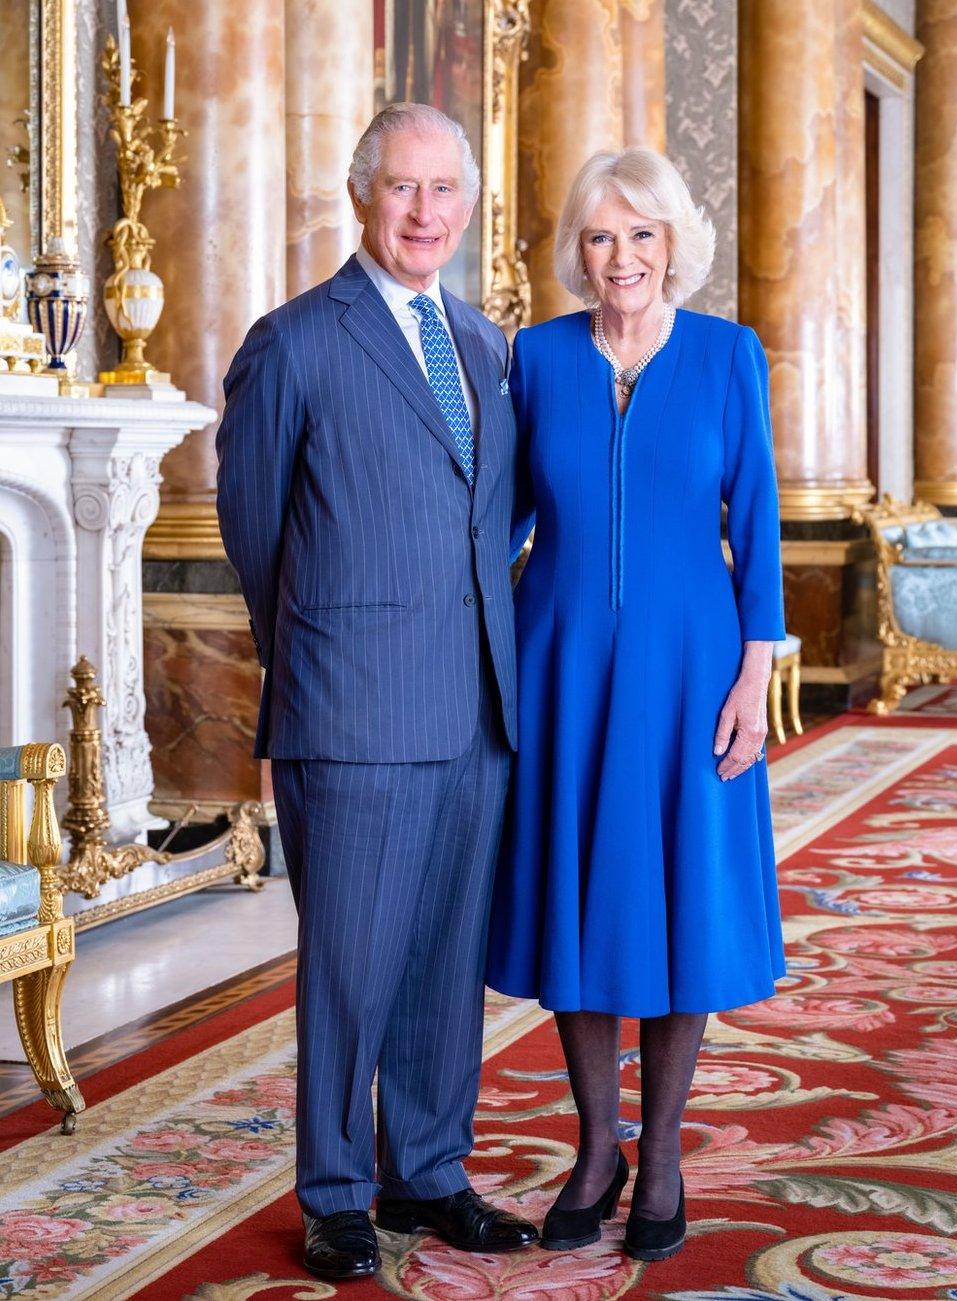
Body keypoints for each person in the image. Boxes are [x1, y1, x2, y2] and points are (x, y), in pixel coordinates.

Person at [216, 102, 538, 1283]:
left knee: (446, 960)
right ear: (362, 194)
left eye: (443, 190)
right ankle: (339, 1191)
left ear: (465, 201)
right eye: (402, 188)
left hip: (476, 709)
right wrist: (323, 655)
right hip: (349, 708)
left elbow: (491, 517)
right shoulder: (295, 341)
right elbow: (255, 534)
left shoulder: (485, 343)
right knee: (348, 964)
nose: (423, 212)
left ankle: (431, 1168)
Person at [486, 148, 786, 1263]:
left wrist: (754, 679)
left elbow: (753, 524)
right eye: (603, 237)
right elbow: (501, 523)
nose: (624, 258)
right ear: (580, 249)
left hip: (692, 669)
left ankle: (659, 1153)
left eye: (643, 235)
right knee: (579, 894)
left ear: (673, 244)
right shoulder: (537, 357)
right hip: (559, 661)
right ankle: (595, 1144)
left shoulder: (724, 356)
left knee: (680, 900)